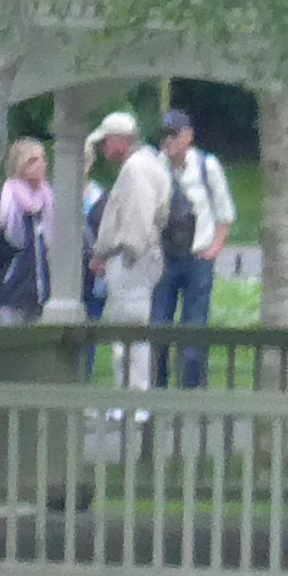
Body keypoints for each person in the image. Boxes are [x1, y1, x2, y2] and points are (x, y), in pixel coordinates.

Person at [147, 107, 236, 388]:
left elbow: (225, 213)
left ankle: (191, 390)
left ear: (188, 136)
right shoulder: (156, 166)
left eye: (174, 135)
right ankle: (157, 389)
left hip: (198, 258)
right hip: (165, 258)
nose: (169, 141)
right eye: (165, 136)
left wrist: (214, 249)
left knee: (194, 328)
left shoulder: (206, 166)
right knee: (158, 325)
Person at [88, 110, 171, 387]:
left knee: (129, 331)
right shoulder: (148, 163)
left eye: (106, 142)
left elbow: (137, 216)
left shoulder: (135, 169)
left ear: (120, 141)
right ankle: (132, 395)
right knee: (130, 330)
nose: (103, 149)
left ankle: (133, 397)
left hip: (131, 260)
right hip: (137, 258)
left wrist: (127, 253)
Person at [0, 137, 52, 324]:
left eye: (42, 159)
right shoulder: (4, 201)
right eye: (33, 160)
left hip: (42, 293)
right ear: (19, 165)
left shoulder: (49, 200)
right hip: (10, 291)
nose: (41, 165)